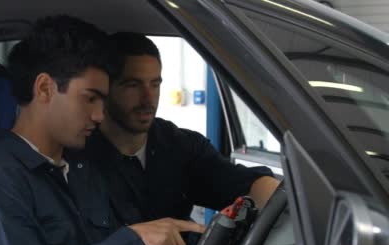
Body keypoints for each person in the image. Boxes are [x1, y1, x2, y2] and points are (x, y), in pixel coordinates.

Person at [0, 16, 203, 245]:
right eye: (90, 98)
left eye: (102, 101)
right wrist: (135, 241)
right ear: (45, 88)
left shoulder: (83, 166)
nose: (98, 115)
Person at [86, 32, 279, 228]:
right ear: (105, 89)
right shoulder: (80, 155)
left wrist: (286, 201)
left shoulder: (179, 145)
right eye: (133, 85)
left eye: (155, 84)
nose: (148, 99)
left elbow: (244, 184)